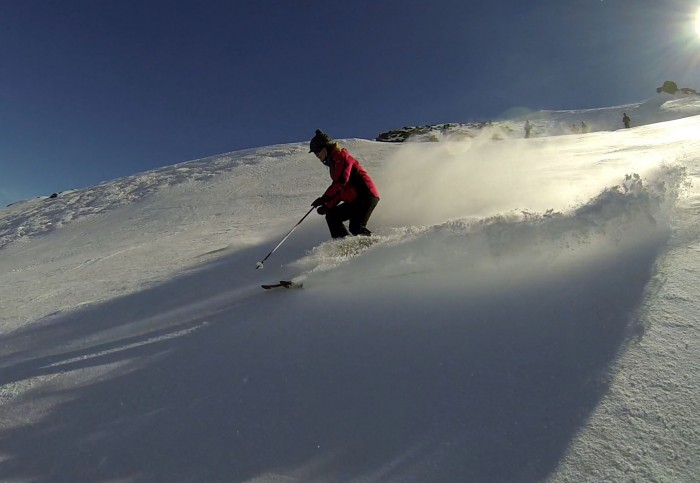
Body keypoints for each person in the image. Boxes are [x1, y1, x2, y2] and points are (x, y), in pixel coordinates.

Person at [309, 129, 380, 239]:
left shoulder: (341, 157)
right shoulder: (334, 163)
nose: (317, 155)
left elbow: (341, 182)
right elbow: (341, 190)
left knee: (356, 227)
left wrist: (324, 198)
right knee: (332, 216)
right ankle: (344, 247)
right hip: (355, 200)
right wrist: (327, 206)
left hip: (366, 196)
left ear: (325, 148)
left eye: (317, 151)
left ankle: (376, 248)